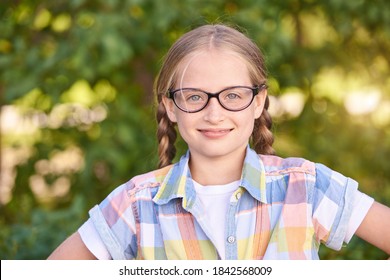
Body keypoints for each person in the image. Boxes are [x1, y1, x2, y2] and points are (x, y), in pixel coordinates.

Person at [48, 24, 390, 260]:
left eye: (233, 95)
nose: (214, 113)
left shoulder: (306, 187)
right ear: (170, 105)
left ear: (258, 102)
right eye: (195, 97)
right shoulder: (136, 204)